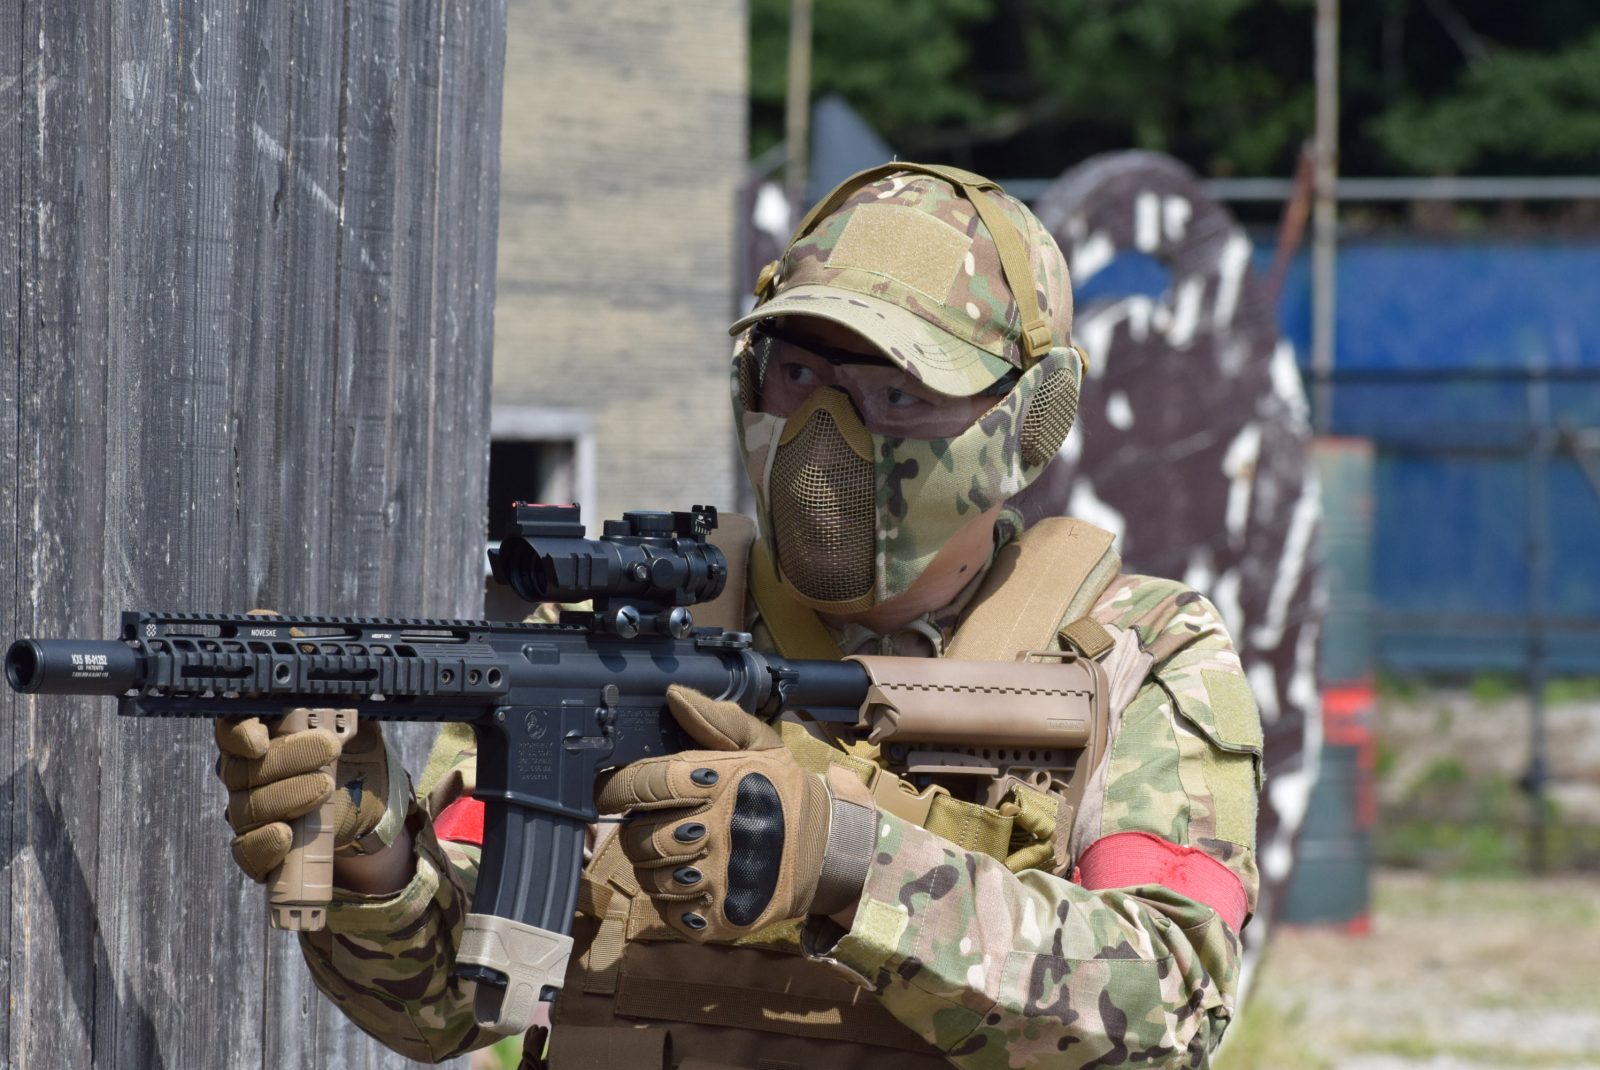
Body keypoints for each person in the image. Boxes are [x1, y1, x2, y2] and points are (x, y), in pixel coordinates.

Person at [214, 164, 1262, 1069]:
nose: (828, 434)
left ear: (1029, 421)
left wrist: (846, 864)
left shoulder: (1131, 655)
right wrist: (375, 856)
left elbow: (1169, 1007)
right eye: (798, 375)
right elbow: (446, 1006)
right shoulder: (617, 631)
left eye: (899, 394)